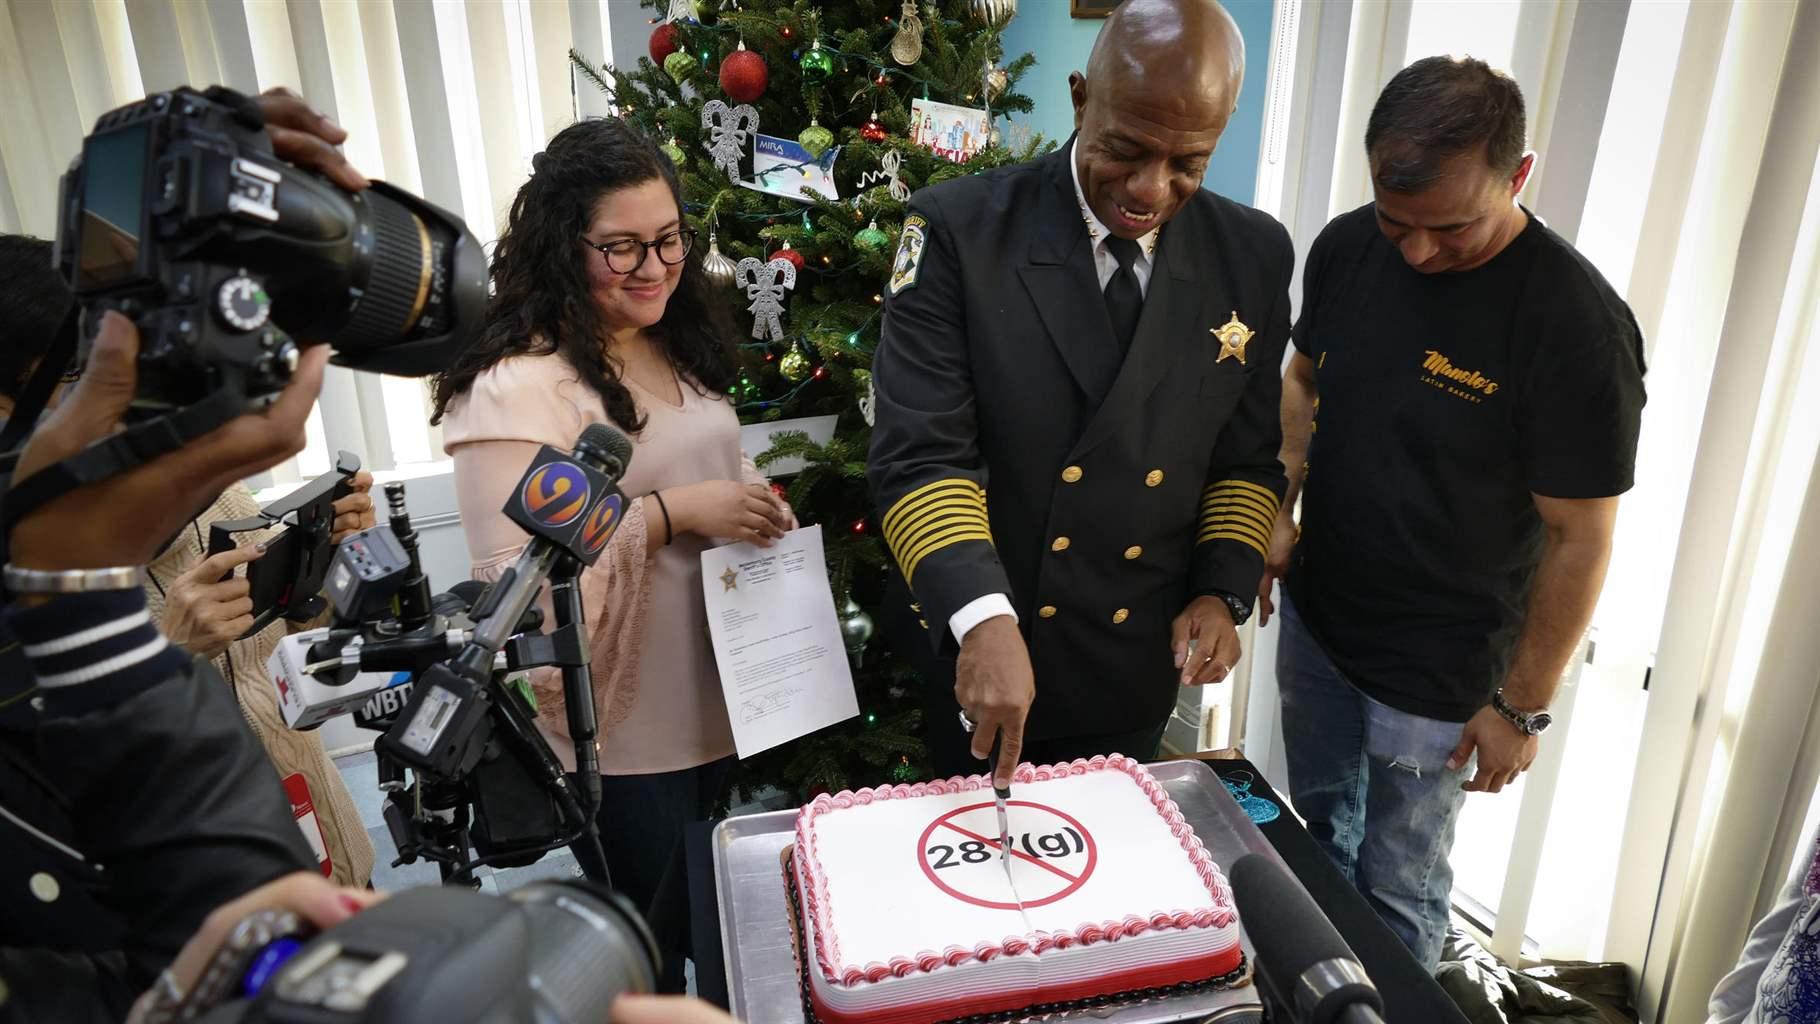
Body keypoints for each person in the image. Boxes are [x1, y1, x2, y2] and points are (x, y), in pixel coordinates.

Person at [1256, 56, 1646, 971]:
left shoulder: (1574, 325)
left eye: (1452, 229)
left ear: (1519, 176)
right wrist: (1277, 509)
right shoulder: (1352, 246)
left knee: (1398, 886)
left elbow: (1581, 536)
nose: (1420, 252)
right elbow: (1304, 380)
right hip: (1321, 622)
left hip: (1441, 671)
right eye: (1400, 224)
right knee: (1317, 842)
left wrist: (1523, 706)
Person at [868, 0, 1293, 784]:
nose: (1149, 187)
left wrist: (1221, 589)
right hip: (983, 642)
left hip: (1131, 659)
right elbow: (921, 458)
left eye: (1188, 163)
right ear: (1078, 97)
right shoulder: (959, 231)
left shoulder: (1254, 256)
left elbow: (1247, 456)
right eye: (1125, 149)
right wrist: (983, 620)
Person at [431, 117, 791, 993]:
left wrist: (745, 494)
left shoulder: (673, 337)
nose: (656, 267)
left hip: (720, 690)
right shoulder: (517, 384)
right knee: (647, 956)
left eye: (669, 239)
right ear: (562, 246)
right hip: (622, 732)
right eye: (622, 248)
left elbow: (699, 449)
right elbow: (514, 589)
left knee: (724, 934)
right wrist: (672, 513)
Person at [2, 233, 378, 889]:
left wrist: (324, 557)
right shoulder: (30, 558)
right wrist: (170, 647)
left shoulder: (200, 483)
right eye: (73, 377)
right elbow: (44, 778)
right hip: (195, 899)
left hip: (323, 841)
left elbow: (297, 638)